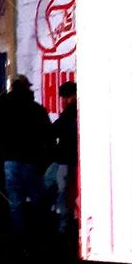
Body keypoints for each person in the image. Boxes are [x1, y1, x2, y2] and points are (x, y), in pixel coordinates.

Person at [0, 74, 52, 260]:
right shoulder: (36, 109)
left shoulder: (1, 107)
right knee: (38, 199)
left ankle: (20, 239)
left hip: (9, 160)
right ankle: (41, 238)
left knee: (15, 202)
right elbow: (47, 134)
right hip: (31, 160)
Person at [46, 80, 78, 237]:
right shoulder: (75, 113)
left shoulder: (70, 113)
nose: (63, 101)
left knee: (60, 191)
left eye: (65, 97)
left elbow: (55, 130)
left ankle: (63, 228)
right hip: (70, 159)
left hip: (65, 159)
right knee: (64, 191)